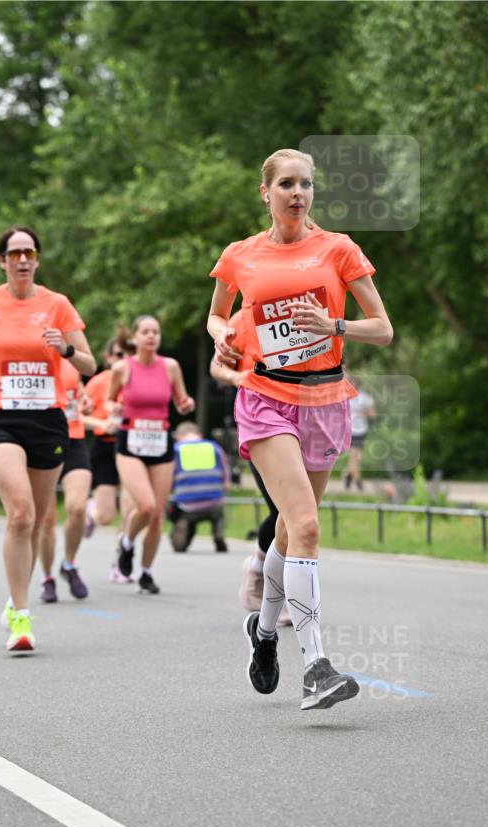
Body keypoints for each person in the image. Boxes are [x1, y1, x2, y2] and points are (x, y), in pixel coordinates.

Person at [208, 148, 393, 710]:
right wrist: (222, 336)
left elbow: (382, 329)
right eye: (287, 183)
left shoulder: (338, 249)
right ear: (265, 192)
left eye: (306, 184)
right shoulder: (241, 255)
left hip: (325, 398)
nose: (298, 193)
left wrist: (334, 324)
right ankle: (316, 666)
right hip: (265, 396)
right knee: (307, 525)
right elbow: (216, 314)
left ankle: (263, 633)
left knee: (290, 532)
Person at [0, 226, 95, 653]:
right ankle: (21, 615)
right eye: (14, 254)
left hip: (47, 420)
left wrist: (65, 350)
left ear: (37, 259)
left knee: (34, 520)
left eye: (29, 252)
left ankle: (16, 598)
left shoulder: (57, 305)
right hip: (0, 418)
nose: (22, 260)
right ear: (2, 261)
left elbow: (90, 364)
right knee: (19, 513)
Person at [209, 313, 292, 627]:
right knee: (284, 509)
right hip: (260, 421)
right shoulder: (243, 319)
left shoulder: (304, 309)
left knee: (297, 513)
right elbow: (216, 367)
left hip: (303, 417)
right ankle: (277, 594)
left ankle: (258, 565)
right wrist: (237, 378)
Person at [108, 314, 195, 594]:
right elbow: (109, 401)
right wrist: (114, 408)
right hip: (131, 443)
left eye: (155, 332)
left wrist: (186, 405)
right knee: (145, 506)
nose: (151, 336)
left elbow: (181, 401)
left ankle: (145, 572)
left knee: (156, 514)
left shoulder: (170, 367)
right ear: (134, 338)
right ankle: (126, 543)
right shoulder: (122, 368)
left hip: (160, 441)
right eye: (145, 331)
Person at [81, 333, 135, 582]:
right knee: (105, 516)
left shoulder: (139, 378)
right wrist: (102, 424)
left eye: (129, 354)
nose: (124, 359)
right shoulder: (98, 382)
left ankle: (119, 564)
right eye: (119, 355)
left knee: (130, 510)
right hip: (105, 446)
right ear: (108, 357)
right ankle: (91, 512)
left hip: (133, 446)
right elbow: (77, 417)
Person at [37, 356, 92, 602]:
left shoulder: (71, 356)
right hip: (43, 441)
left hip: (73, 439)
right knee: (46, 519)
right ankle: (47, 577)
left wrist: (84, 398)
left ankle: (69, 564)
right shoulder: (31, 356)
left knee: (77, 508)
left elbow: (76, 387)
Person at [168, 421, 230, 552]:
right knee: (218, 514)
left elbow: (168, 477)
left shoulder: (176, 450)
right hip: (214, 502)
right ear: (199, 435)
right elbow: (226, 476)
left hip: (186, 504)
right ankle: (218, 531)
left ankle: (182, 524)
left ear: (179, 436)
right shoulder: (214, 447)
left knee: (176, 512)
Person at [344, 374, 376, 490]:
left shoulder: (365, 398)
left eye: (354, 384)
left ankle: (348, 475)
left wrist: (363, 413)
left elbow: (373, 415)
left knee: (357, 458)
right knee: (355, 457)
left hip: (361, 431)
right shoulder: (344, 397)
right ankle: (358, 481)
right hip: (348, 430)